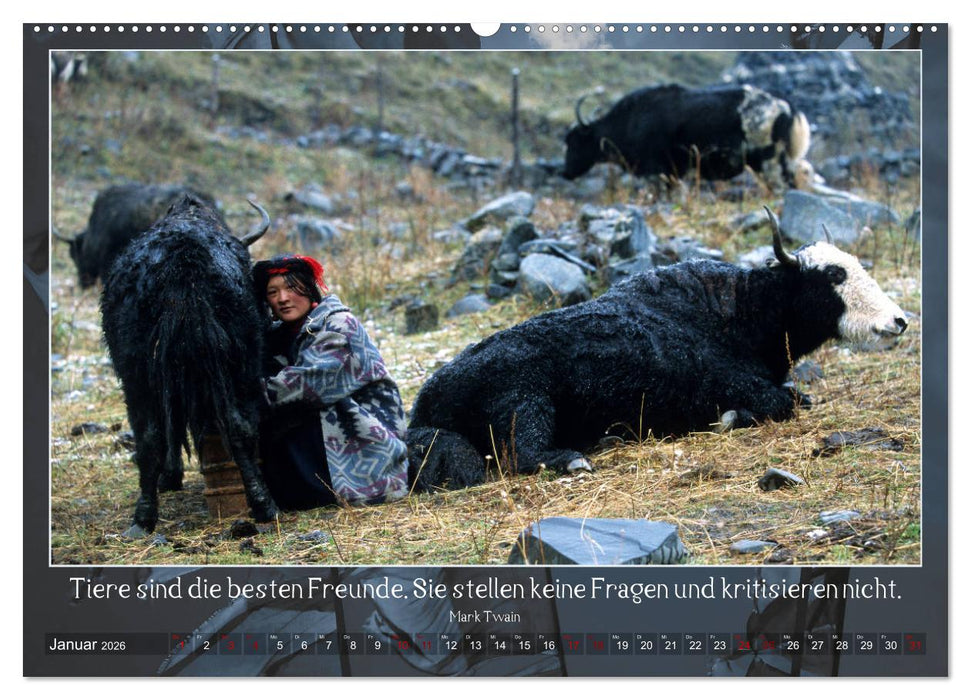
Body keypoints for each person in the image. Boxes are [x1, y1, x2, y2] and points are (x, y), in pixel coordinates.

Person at [251, 254, 410, 510]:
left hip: (366, 443)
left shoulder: (338, 325)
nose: (283, 299)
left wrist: (242, 393)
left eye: (292, 288)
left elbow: (308, 384)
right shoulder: (281, 335)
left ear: (310, 288)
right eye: (273, 292)